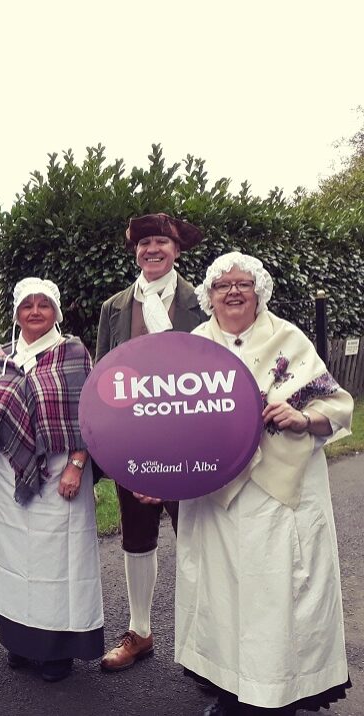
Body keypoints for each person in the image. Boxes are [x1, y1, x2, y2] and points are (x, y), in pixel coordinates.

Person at [174, 251, 353, 715]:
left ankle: (278, 693)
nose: (233, 291)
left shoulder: (288, 339)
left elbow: (336, 405)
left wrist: (304, 417)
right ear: (209, 296)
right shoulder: (192, 347)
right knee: (222, 596)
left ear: (260, 292)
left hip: (280, 499)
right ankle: (230, 689)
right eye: (222, 285)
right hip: (218, 497)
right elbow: (168, 422)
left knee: (277, 597)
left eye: (244, 284)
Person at [0, 278, 104, 683]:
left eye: (43, 305)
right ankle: (21, 643)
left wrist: (78, 464)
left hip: (62, 471)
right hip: (8, 472)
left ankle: (57, 652)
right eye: (26, 305)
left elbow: (93, 415)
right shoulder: (0, 356)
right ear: (16, 313)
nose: (34, 312)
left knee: (58, 560)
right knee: (15, 559)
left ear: (56, 312)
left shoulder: (74, 353)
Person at [94, 212, 206, 672]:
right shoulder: (115, 307)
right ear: (135, 252)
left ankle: (206, 643)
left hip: (194, 444)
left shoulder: (203, 301)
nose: (152, 249)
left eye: (161, 241)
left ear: (177, 250)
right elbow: (103, 379)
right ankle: (140, 632)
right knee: (136, 538)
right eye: (144, 243)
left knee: (199, 539)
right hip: (134, 444)